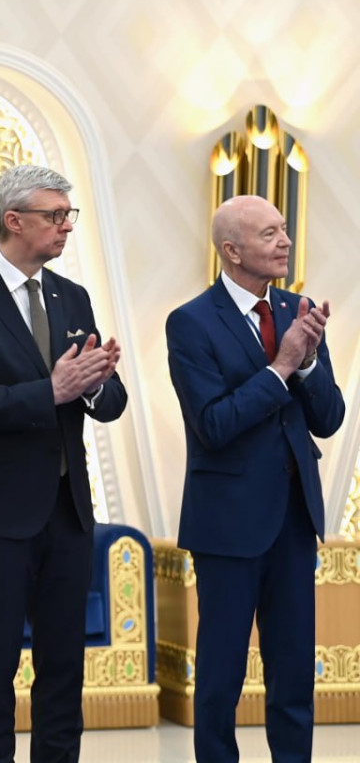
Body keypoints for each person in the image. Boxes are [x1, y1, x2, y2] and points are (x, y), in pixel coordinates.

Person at [0, 164, 127, 763]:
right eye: (54, 216)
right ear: (13, 220)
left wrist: (95, 383)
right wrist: (52, 391)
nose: (66, 226)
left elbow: (109, 401)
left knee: (64, 665)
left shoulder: (73, 297)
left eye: (69, 215)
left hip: (67, 511)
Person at [166, 194, 344, 762]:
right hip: (227, 525)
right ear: (232, 250)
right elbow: (214, 425)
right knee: (220, 679)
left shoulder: (298, 310)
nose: (285, 241)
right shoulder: (190, 322)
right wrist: (283, 365)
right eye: (270, 233)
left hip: (293, 519)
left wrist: (309, 363)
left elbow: (329, 418)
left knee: (293, 674)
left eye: (284, 229)